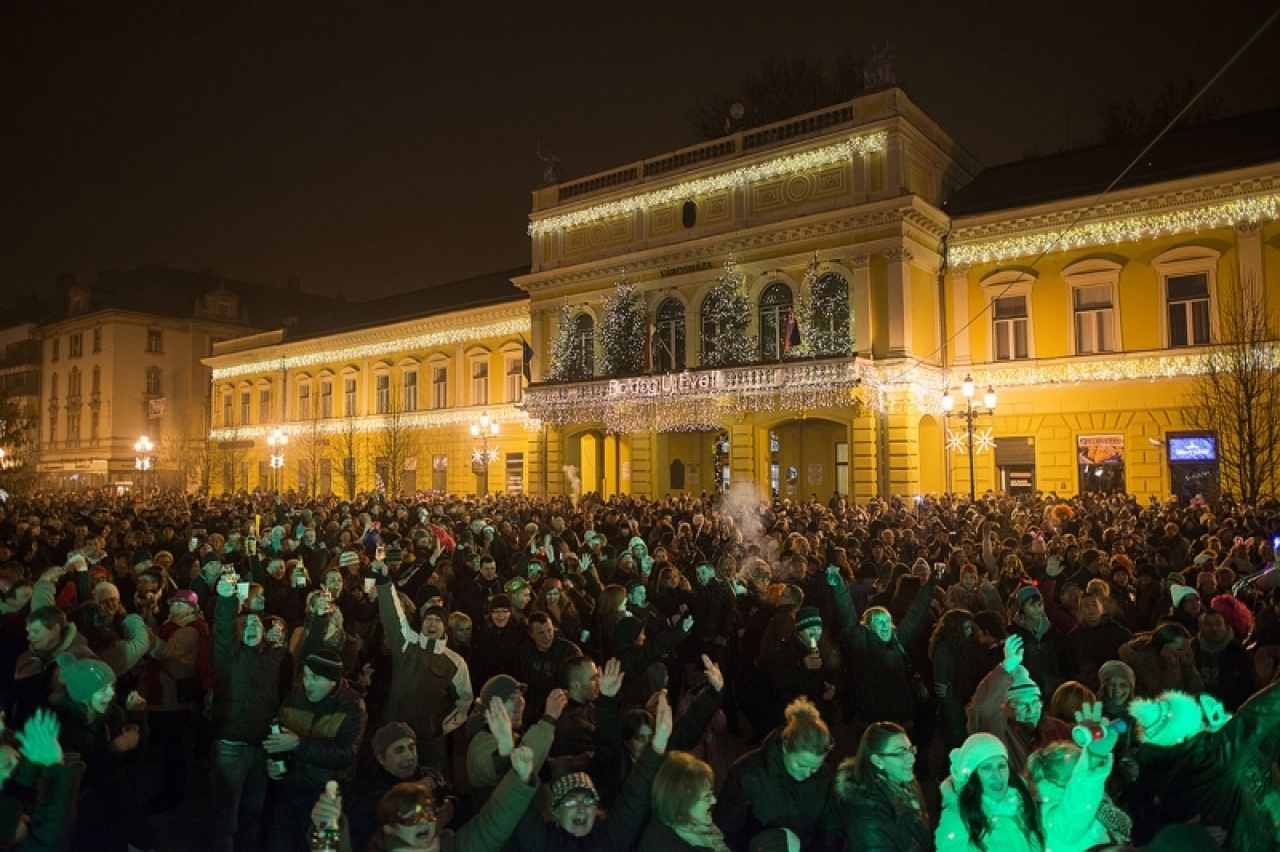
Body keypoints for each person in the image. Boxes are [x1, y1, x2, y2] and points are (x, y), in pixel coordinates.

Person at [507, 690, 672, 852]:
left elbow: (635, 796)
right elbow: (516, 806)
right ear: (556, 811)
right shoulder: (542, 842)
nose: (581, 809)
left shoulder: (609, 838)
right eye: (571, 802)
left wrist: (658, 745)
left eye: (588, 802)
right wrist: (516, 771)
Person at [309, 743, 540, 852]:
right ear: (390, 829)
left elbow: (492, 824)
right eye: (411, 814)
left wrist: (520, 780)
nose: (424, 820)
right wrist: (326, 828)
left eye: (428, 813)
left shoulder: (452, 847)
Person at [372, 558, 472, 771]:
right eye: (429, 619)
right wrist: (383, 580)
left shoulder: (455, 663)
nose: (432, 623)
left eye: (438, 621)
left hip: (429, 744)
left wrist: (441, 727)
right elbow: (392, 614)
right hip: (394, 737)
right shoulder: (407, 643)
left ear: (445, 629)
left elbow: (464, 701)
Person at [210, 571, 285, 852]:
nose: (252, 627)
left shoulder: (271, 662)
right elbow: (223, 629)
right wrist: (227, 599)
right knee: (225, 817)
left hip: (261, 748)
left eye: (257, 624)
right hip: (232, 748)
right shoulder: (228, 657)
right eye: (247, 625)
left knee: (252, 813)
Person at [266, 647, 368, 852]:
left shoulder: (351, 707)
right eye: (305, 675)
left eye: (314, 677)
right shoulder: (295, 700)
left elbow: (345, 755)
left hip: (323, 801)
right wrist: (272, 763)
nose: (307, 683)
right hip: (289, 796)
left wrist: (298, 744)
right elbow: (279, 741)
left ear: (332, 681)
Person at [716, 696, 840, 852]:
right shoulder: (747, 774)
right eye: (801, 765)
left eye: (815, 767)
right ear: (786, 746)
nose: (808, 773)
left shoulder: (824, 775)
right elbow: (727, 831)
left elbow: (831, 826)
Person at [1025, 706, 1131, 852]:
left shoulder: (1097, 804)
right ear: (1048, 782)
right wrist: (1094, 757)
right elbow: (1078, 804)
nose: (1078, 779)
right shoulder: (1053, 820)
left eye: (1080, 768)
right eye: (1072, 777)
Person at [934, 733, 1042, 852]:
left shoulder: (1020, 803)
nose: (997, 775)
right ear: (972, 775)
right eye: (986, 768)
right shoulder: (957, 817)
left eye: (1001, 766)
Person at [834, 722, 932, 851]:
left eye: (910, 749)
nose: (912, 758)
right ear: (877, 760)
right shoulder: (868, 821)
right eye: (900, 753)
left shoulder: (905, 783)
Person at [639, 750, 727, 852]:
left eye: (711, 793)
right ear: (682, 803)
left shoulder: (691, 826)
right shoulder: (664, 846)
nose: (714, 800)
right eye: (707, 797)